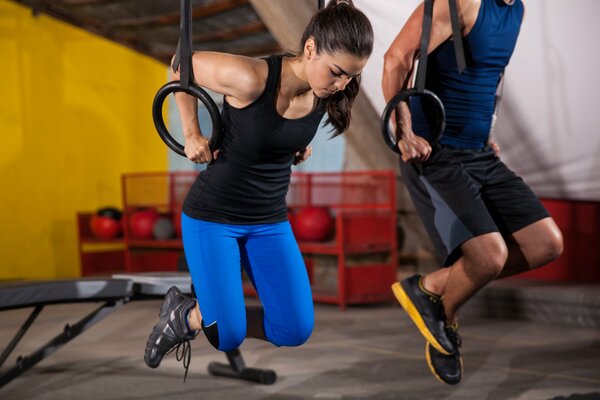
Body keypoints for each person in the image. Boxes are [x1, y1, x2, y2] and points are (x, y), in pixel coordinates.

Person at [144, 0, 373, 378]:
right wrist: (190, 133)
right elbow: (179, 64)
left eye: (351, 76)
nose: (342, 85)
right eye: (337, 73)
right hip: (212, 218)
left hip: (268, 221)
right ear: (311, 48)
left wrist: (293, 146)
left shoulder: (324, 92)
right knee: (227, 335)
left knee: (294, 329)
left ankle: (212, 315)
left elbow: (272, 133)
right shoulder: (252, 78)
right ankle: (186, 315)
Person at [382, 0, 563, 385]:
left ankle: (429, 288)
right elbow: (397, 57)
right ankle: (443, 319)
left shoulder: (518, 12)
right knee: (490, 257)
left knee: (546, 243)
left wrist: (490, 130)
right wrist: (404, 131)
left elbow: (493, 75)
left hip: (480, 151)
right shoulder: (459, 4)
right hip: (436, 150)